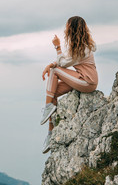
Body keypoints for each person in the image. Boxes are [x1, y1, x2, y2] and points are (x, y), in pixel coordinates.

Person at [40, 16, 98, 154]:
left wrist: (57, 47)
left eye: (67, 27)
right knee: (53, 91)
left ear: (71, 29)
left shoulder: (83, 48)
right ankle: (50, 133)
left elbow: (64, 63)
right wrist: (51, 63)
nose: (65, 29)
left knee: (54, 72)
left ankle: (48, 107)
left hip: (87, 82)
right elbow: (64, 60)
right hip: (82, 80)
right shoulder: (80, 46)